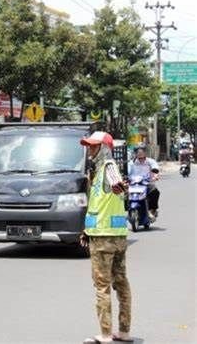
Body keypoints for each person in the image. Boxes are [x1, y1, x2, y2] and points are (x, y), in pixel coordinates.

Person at [80, 131, 133, 344]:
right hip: (116, 235)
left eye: (94, 146)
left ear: (104, 148)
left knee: (102, 286)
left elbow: (118, 186)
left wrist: (120, 186)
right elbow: (99, 206)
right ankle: (124, 332)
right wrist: (86, 231)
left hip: (103, 239)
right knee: (121, 283)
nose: (90, 150)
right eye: (89, 146)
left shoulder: (108, 167)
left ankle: (105, 334)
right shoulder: (100, 171)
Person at [128, 144, 160, 220]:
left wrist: (155, 175)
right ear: (135, 153)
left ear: (145, 152)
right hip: (134, 184)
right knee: (124, 194)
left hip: (146, 183)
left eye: (142, 151)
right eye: (138, 152)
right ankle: (128, 210)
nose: (140, 153)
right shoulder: (131, 163)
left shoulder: (150, 161)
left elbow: (155, 168)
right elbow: (127, 172)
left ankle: (152, 210)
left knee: (155, 191)